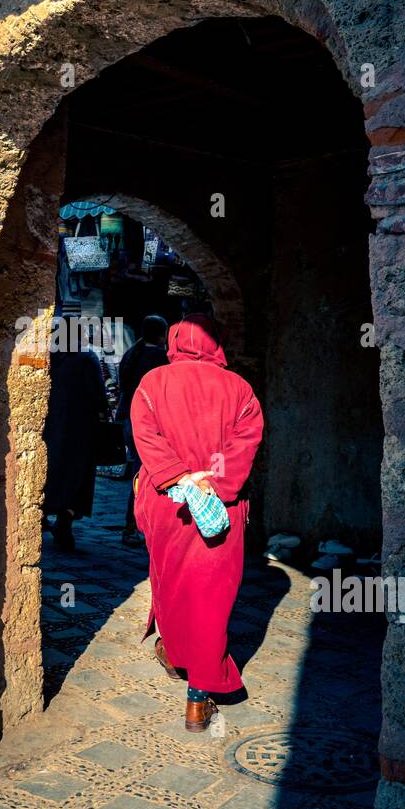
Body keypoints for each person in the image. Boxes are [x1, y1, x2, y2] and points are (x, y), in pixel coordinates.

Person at [130, 314, 264, 733]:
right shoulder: (240, 389)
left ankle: (174, 652)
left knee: (169, 580)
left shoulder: (152, 383)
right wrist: (213, 483)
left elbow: (145, 434)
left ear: (174, 342)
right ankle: (198, 697)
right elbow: (246, 441)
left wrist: (179, 477)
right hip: (219, 507)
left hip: (168, 502)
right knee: (212, 596)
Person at [43, 339, 110, 553]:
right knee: (76, 475)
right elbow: (98, 392)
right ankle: (65, 521)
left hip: (52, 425)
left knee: (51, 470)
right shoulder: (86, 358)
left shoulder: (49, 359)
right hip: (81, 427)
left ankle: (42, 514)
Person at [115, 314, 169, 544]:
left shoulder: (132, 354)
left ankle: (135, 524)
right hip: (147, 423)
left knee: (140, 470)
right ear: (161, 335)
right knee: (145, 473)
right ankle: (134, 525)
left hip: (128, 418)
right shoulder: (159, 357)